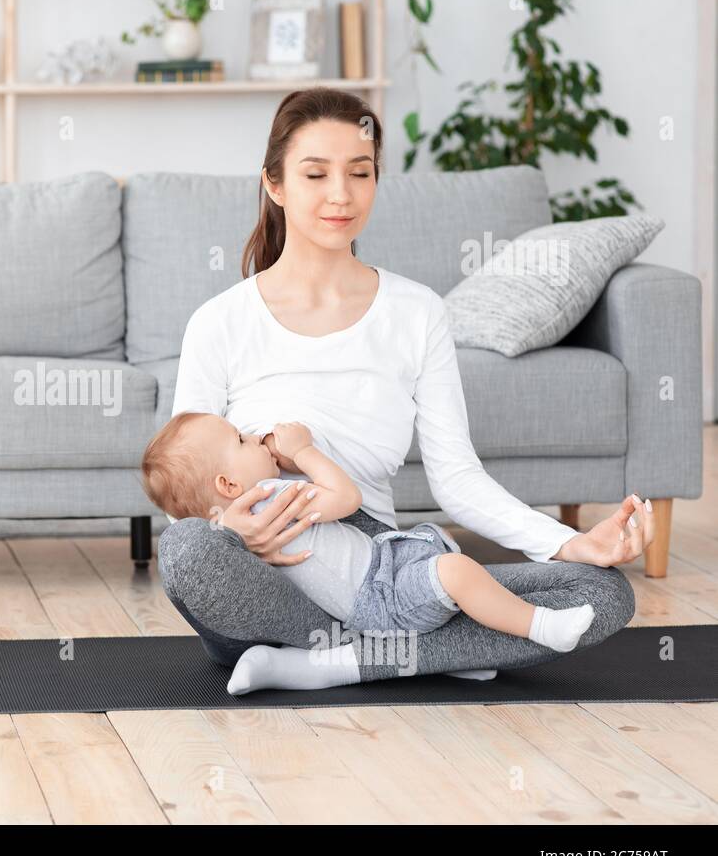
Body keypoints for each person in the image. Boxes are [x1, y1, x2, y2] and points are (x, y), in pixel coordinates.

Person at [156, 87, 653, 688]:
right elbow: (189, 482)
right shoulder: (219, 322)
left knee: (601, 593)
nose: (341, 194)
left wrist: (569, 542)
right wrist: (227, 528)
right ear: (276, 185)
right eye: (316, 174)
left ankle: (331, 664)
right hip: (270, 583)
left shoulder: (417, 313)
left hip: (383, 572)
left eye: (359, 173)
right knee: (185, 552)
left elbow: (457, 479)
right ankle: (429, 651)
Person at [142, 414, 598, 693]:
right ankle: (543, 627)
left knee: (591, 589)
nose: (254, 437)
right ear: (227, 486)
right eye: (241, 441)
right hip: (380, 597)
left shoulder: (255, 505)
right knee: (457, 572)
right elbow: (344, 498)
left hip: (382, 571)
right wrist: (303, 451)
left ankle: (443, 661)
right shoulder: (275, 496)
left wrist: (224, 525)